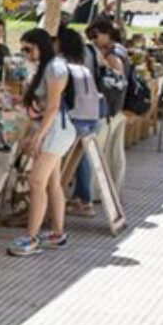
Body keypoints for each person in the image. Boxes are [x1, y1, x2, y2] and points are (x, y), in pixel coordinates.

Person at [7, 29, 75, 256]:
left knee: (36, 182)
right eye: (23, 48)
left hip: (56, 131)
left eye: (28, 48)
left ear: (41, 46)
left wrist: (38, 135)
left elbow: (53, 106)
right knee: (51, 183)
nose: (25, 53)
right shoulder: (49, 67)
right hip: (54, 130)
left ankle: (31, 237)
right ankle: (57, 233)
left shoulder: (54, 68)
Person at [58, 28, 103, 217]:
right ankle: (80, 198)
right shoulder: (83, 63)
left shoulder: (63, 67)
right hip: (94, 114)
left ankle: (84, 200)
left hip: (78, 117)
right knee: (82, 158)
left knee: (79, 159)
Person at [86, 20, 128, 195]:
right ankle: (114, 190)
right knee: (114, 151)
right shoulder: (121, 49)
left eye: (95, 36)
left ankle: (98, 192)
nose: (93, 40)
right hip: (119, 108)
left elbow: (114, 82)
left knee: (103, 152)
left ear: (106, 33)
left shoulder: (113, 55)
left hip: (111, 109)